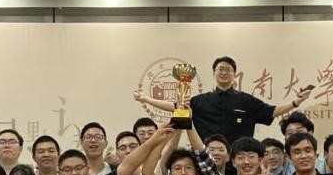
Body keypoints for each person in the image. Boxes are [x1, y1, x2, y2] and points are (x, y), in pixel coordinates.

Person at [134, 56, 314, 145]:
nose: (224, 72)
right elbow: (177, 107)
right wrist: (146, 99)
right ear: (214, 74)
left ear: (235, 75)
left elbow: (272, 111)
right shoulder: (200, 101)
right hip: (206, 161)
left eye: (228, 70)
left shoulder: (246, 101)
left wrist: (295, 103)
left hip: (238, 162)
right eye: (220, 69)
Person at [184, 125, 267, 175]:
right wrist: (189, 123)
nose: (246, 162)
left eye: (251, 157)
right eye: (240, 157)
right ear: (233, 162)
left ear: (260, 160)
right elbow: (204, 158)